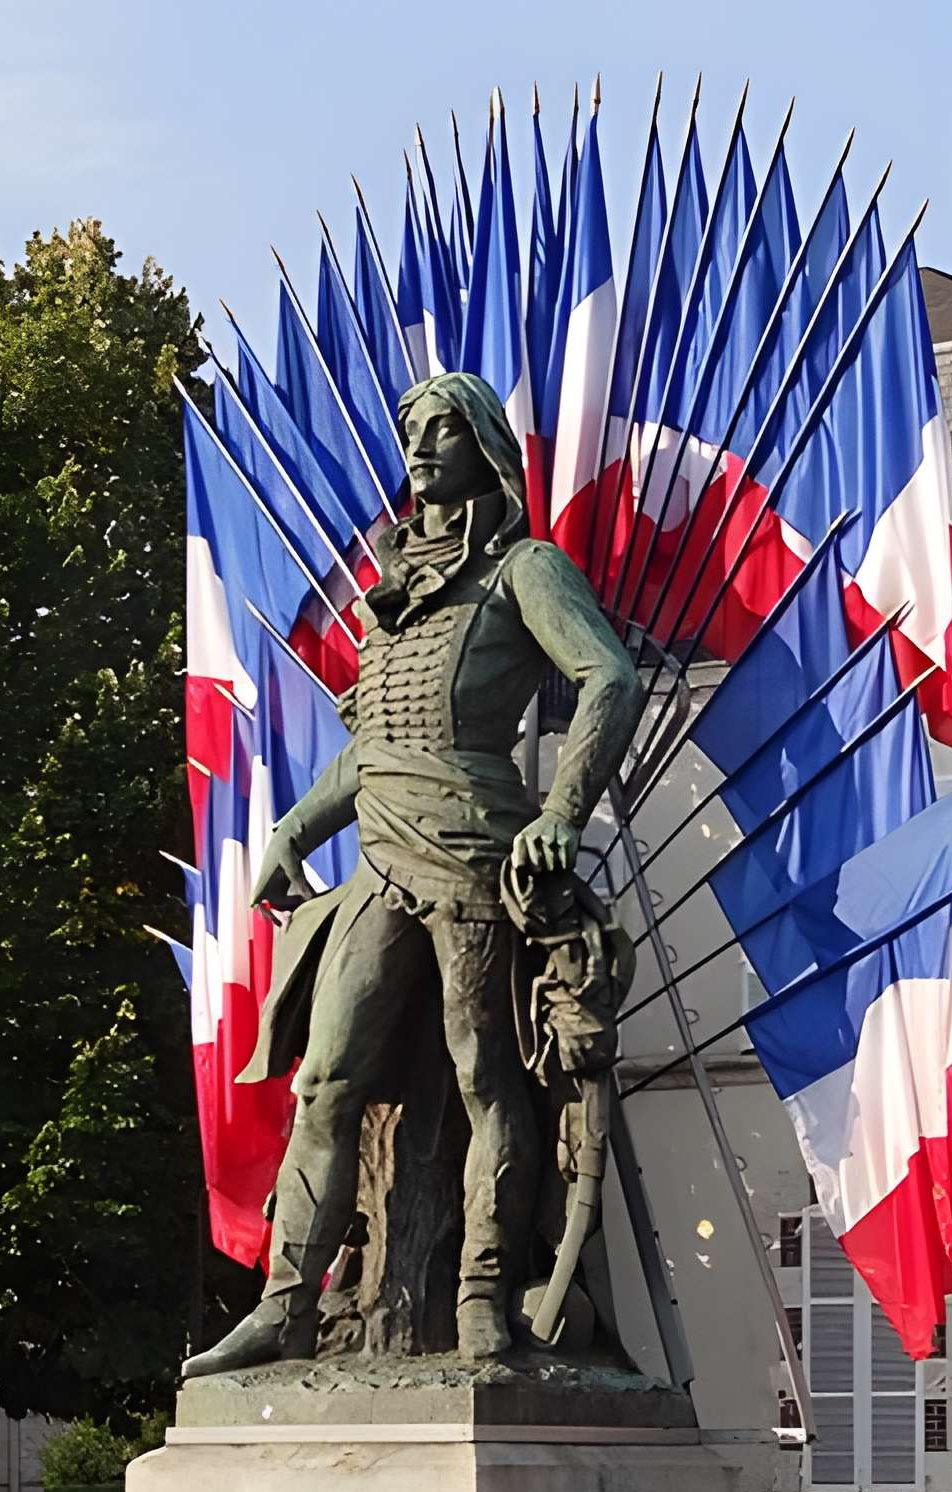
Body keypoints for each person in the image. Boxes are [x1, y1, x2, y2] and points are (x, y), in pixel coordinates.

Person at [181, 373, 643, 1375]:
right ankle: (285, 1303)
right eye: (412, 429)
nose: (423, 445)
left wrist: (560, 813)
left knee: (484, 1077)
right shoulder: (386, 592)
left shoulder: (525, 567)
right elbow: (373, 745)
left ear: (481, 446)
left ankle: (480, 1294)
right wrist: (292, 832)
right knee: (325, 1081)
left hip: (476, 849)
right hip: (381, 854)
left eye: (444, 428)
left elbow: (609, 674)